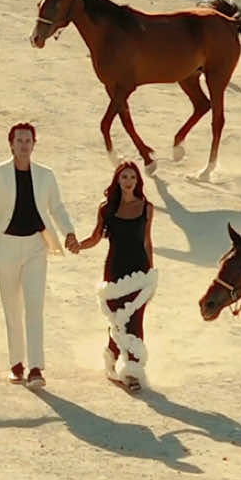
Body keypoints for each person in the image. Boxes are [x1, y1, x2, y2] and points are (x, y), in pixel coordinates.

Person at [0, 122, 79, 389]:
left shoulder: (46, 175)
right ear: (11, 144)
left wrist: (68, 231)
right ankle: (16, 364)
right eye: (19, 140)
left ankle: (36, 368)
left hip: (36, 246)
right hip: (6, 248)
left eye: (28, 140)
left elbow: (57, 206)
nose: (24, 145)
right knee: (11, 307)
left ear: (34, 144)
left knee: (35, 306)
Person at [79, 160, 156, 392]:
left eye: (132, 177)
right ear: (117, 180)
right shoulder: (106, 209)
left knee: (135, 319)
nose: (128, 181)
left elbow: (147, 241)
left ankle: (132, 372)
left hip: (139, 272)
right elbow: (95, 237)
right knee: (117, 317)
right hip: (114, 270)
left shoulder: (146, 207)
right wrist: (79, 245)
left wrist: (151, 274)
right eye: (124, 177)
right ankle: (112, 355)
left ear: (138, 181)